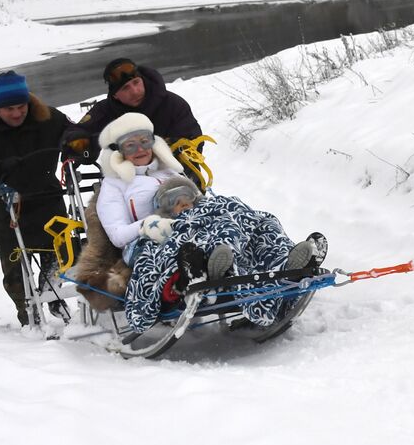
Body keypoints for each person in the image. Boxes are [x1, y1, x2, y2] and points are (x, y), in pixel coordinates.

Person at [86, 114, 321, 332]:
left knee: (252, 220)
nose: (140, 149)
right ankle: (207, 266)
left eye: (144, 141)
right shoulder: (113, 186)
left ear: (153, 142)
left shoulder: (169, 172)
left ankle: (283, 262)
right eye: (130, 145)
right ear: (119, 151)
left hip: (194, 224)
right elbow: (116, 234)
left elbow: (199, 202)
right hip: (150, 239)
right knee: (194, 238)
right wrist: (146, 225)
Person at [0, 70, 70, 325]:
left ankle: (54, 296)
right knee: (16, 275)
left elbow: (75, 134)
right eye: (9, 109)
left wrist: (78, 146)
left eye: (21, 107)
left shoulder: (50, 119)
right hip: (6, 210)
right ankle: (28, 316)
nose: (17, 113)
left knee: (59, 259)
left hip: (47, 202)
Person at [66, 57, 202, 158]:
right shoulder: (105, 110)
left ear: (142, 80)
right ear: (115, 96)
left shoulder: (173, 104)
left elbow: (193, 140)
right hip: (126, 181)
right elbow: (77, 130)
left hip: (176, 178)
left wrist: (163, 147)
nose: (135, 91)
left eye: (136, 82)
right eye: (125, 88)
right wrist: (79, 142)